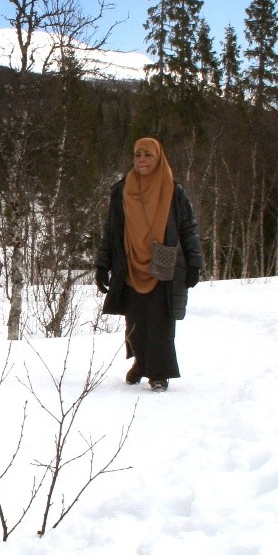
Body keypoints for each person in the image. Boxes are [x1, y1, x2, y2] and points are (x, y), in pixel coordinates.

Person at [94, 137, 204, 392]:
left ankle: (159, 372)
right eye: (137, 155)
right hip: (130, 261)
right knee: (134, 320)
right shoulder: (121, 190)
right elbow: (111, 230)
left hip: (164, 260)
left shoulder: (174, 190)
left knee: (160, 320)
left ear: (158, 158)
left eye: (148, 155)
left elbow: (188, 228)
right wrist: (102, 265)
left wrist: (194, 263)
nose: (142, 159)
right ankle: (141, 364)